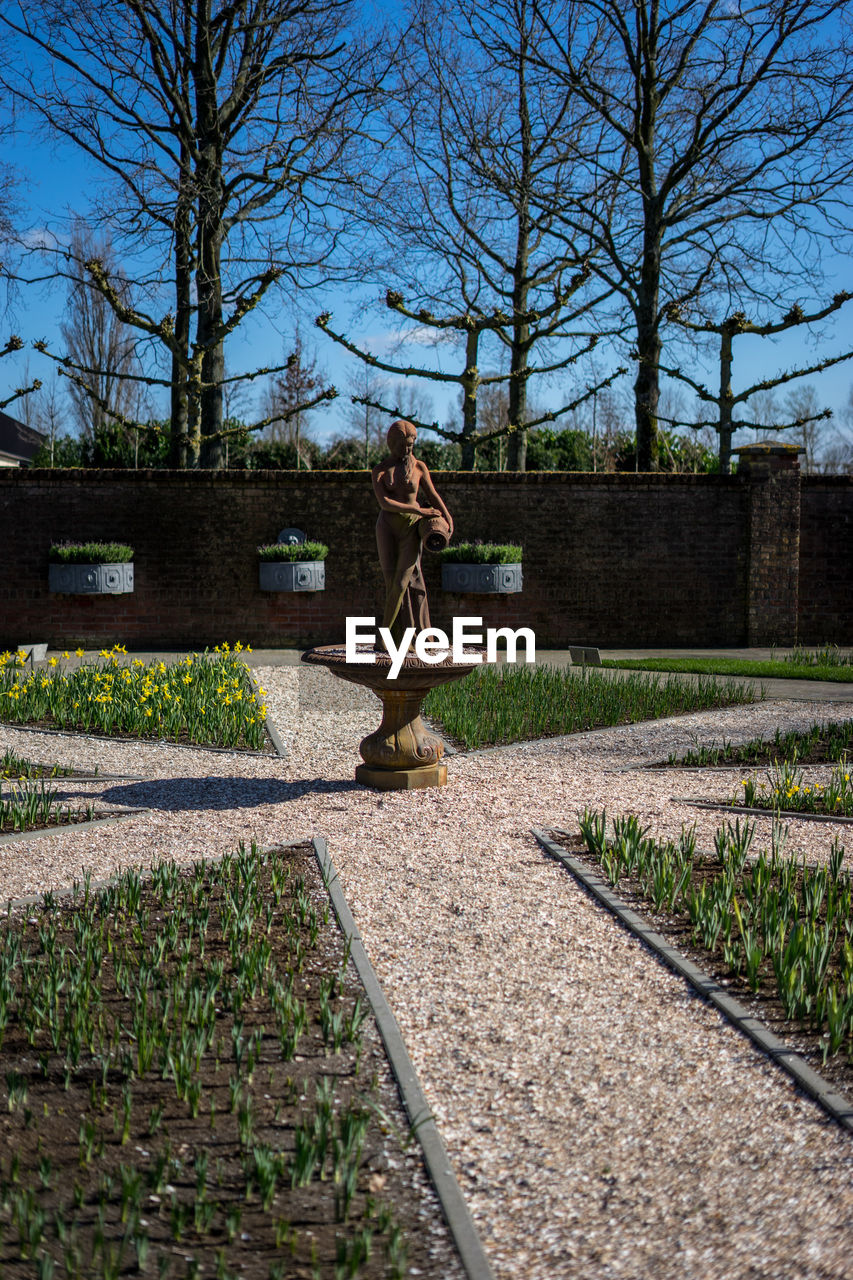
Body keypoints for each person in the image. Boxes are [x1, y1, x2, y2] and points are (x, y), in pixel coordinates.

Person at [372, 419, 454, 646]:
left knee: (401, 583)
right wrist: (418, 508)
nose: (407, 450)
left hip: (410, 529)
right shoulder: (380, 470)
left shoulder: (419, 467)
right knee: (392, 585)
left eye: (410, 445)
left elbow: (433, 494)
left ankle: (383, 637)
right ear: (391, 443)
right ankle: (399, 637)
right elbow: (385, 503)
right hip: (387, 528)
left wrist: (446, 516)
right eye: (402, 445)